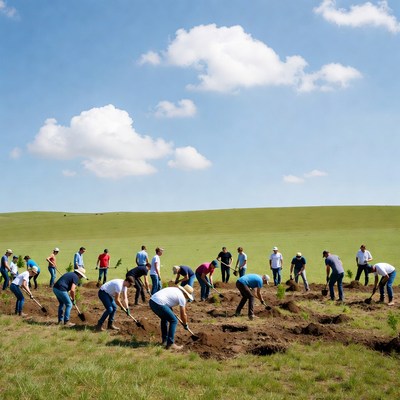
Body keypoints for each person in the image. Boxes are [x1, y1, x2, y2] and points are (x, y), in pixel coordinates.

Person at [149, 284, 194, 350]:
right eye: (187, 296)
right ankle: (170, 344)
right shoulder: (182, 297)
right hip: (159, 303)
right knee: (174, 320)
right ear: (185, 293)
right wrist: (185, 324)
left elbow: (167, 299)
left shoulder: (175, 289)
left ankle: (164, 341)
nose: (187, 297)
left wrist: (170, 311)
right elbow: (183, 314)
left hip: (152, 302)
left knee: (164, 318)